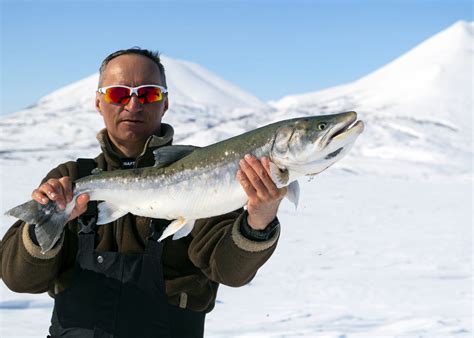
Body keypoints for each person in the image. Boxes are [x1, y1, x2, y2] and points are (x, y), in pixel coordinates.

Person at [0, 48, 286, 337]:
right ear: (99, 102)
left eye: (148, 94)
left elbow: (229, 271)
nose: (133, 105)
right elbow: (18, 279)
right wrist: (45, 228)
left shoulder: (206, 173)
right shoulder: (71, 179)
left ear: (165, 102)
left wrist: (259, 222)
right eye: (118, 94)